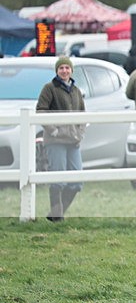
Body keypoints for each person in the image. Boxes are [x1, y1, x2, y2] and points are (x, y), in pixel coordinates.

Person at [36, 57, 86, 222]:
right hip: (56, 141)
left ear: (71, 70)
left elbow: (82, 116)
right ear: (57, 71)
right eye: (61, 68)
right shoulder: (49, 88)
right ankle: (57, 217)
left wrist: (79, 134)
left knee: (76, 182)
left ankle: (56, 214)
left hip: (73, 141)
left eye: (67, 68)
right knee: (58, 180)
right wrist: (54, 130)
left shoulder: (76, 91)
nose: (64, 71)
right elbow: (41, 111)